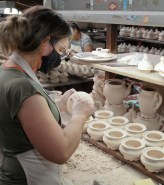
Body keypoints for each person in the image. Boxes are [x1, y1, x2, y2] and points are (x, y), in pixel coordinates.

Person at [0, 6, 94, 185]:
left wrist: (57, 104)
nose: (59, 55)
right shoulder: (23, 86)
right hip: (28, 177)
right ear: (45, 43)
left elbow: (22, 116)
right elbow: (61, 152)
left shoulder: (7, 71)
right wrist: (80, 115)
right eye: (60, 48)